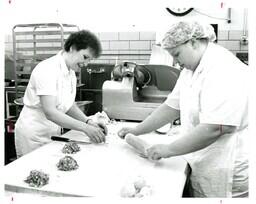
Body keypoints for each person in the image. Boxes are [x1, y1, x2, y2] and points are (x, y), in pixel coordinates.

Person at [118, 21, 249, 197]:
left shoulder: (223, 69)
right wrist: (137, 130)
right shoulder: (190, 70)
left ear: (194, 42)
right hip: (203, 160)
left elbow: (216, 127)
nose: (176, 61)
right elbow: (171, 107)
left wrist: (168, 149)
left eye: (177, 54)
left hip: (227, 167)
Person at [15, 30, 107, 157]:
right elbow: (50, 112)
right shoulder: (47, 69)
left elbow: (68, 105)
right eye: (85, 57)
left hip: (52, 133)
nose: (85, 64)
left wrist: (88, 122)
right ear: (72, 48)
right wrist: (85, 129)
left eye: (89, 60)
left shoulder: (71, 73)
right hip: (33, 135)